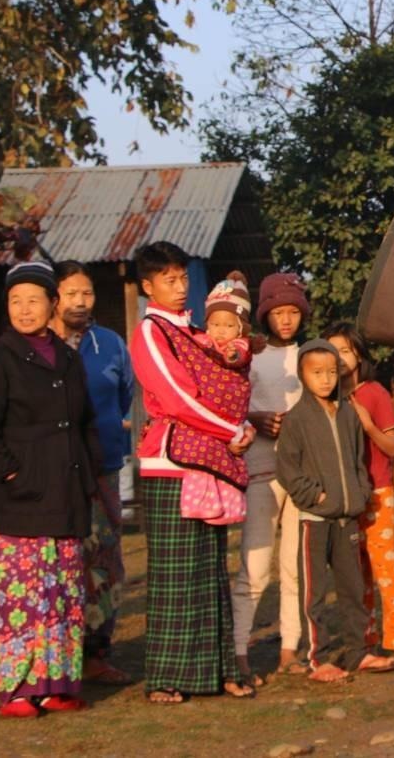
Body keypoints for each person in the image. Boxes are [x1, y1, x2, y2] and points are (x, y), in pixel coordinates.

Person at [0, 262, 101, 718]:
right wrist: (12, 474)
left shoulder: (68, 358)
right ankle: (20, 689)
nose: (24, 310)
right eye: (15, 301)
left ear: (53, 304)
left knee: (64, 592)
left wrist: (89, 475)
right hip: (21, 497)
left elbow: (85, 422)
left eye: (33, 300)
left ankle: (56, 683)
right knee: (23, 595)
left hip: (67, 492)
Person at [128, 242, 257, 704]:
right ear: (148, 286)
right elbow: (177, 397)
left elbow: (226, 385)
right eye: (169, 280)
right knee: (174, 574)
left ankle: (217, 670)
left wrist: (238, 426)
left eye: (183, 277)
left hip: (209, 458)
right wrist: (232, 430)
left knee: (209, 569)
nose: (180, 287)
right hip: (171, 464)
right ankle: (165, 677)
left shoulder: (198, 332)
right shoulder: (151, 331)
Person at [48, 260, 136, 686]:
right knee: (58, 561)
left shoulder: (110, 344)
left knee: (103, 559)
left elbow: (124, 398)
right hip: (52, 472)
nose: (81, 302)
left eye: (87, 293)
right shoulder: (38, 345)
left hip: (102, 467)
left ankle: (97, 651)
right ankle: (57, 653)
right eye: (71, 293)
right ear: (54, 298)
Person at [274, 340, 381, 683]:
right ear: (302, 375)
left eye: (331, 372)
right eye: (317, 373)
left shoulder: (348, 413)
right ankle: (316, 659)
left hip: (348, 517)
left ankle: (358, 653)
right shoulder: (296, 419)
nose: (325, 379)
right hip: (315, 520)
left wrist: (361, 494)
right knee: (314, 593)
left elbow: (358, 460)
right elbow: (287, 469)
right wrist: (315, 496)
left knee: (353, 589)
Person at [325, 322, 394, 673]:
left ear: (359, 356)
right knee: (356, 576)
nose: (339, 358)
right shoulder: (328, 396)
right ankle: (366, 645)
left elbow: (393, 447)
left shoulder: (375, 393)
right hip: (345, 497)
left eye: (345, 351)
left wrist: (368, 426)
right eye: (332, 351)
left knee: (385, 572)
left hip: (378, 493)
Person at [232, 272, 310, 681]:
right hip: (259, 472)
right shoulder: (251, 356)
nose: (286, 320)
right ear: (265, 314)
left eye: (293, 312)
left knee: (295, 566)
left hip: (301, 475)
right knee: (255, 567)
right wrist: (255, 418)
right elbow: (230, 405)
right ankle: (238, 652)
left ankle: (289, 650)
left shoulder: (310, 356)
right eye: (279, 312)